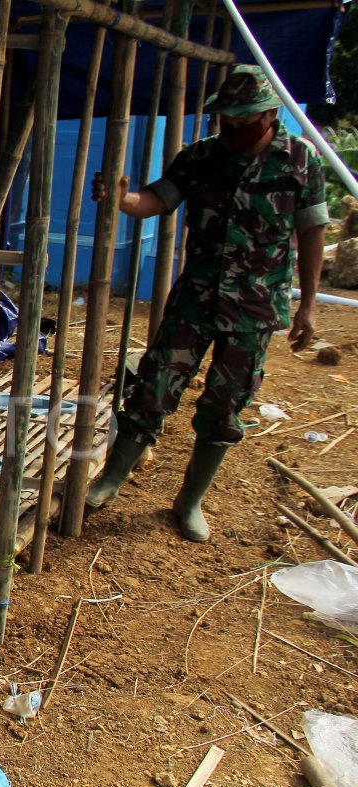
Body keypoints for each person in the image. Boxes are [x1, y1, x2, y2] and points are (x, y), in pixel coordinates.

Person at [87, 64, 327, 542]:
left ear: (270, 113)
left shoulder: (301, 162)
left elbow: (312, 230)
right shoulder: (200, 157)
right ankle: (111, 478)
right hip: (196, 298)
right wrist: (122, 200)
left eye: (244, 120)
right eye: (227, 120)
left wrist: (308, 305)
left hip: (255, 308)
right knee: (154, 385)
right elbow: (155, 200)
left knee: (226, 404)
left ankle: (189, 499)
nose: (234, 129)